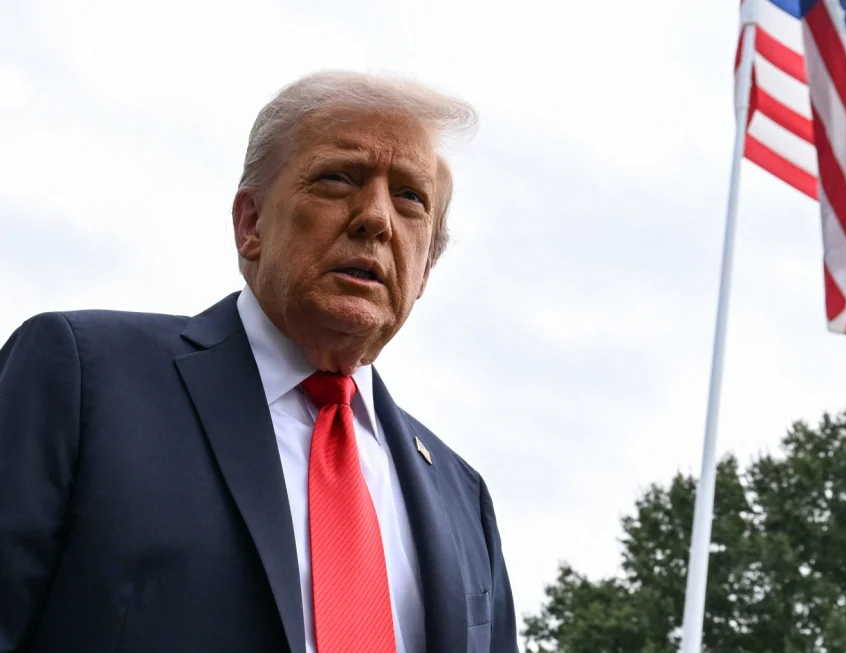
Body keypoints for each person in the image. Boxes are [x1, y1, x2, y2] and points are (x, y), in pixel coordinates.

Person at [0, 70, 516, 653]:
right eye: (338, 178)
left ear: (424, 270)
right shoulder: (82, 379)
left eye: (410, 198)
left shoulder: (463, 497)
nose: (376, 218)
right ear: (251, 224)